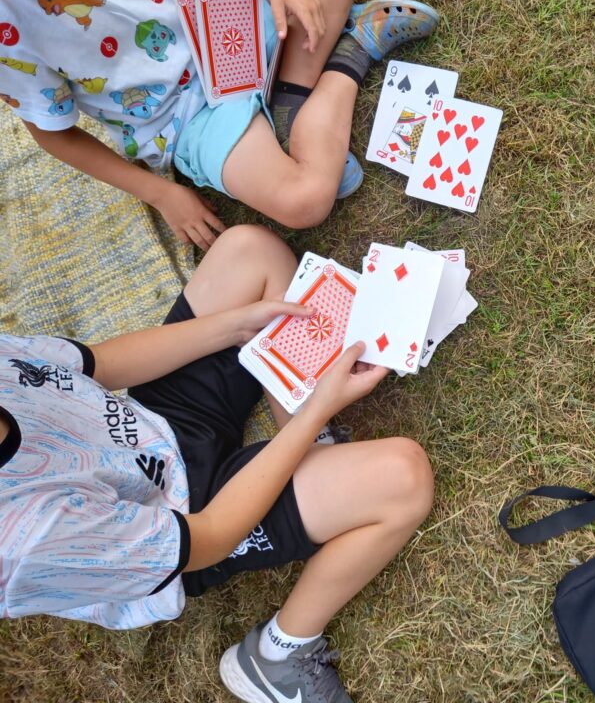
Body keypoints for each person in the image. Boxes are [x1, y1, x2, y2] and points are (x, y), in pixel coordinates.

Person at [0, 224, 435, 703]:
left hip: (151, 428)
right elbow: (211, 536)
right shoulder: (26, 536)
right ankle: (277, 656)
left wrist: (238, 325)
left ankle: (321, 459)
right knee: (403, 476)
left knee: (253, 254)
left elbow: (99, 365)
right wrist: (314, 414)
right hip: (188, 522)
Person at [0, 0, 439, 248]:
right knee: (305, 201)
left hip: (220, 21)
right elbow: (52, 130)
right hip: (183, 116)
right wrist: (161, 194)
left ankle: (290, 101)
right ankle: (354, 50)